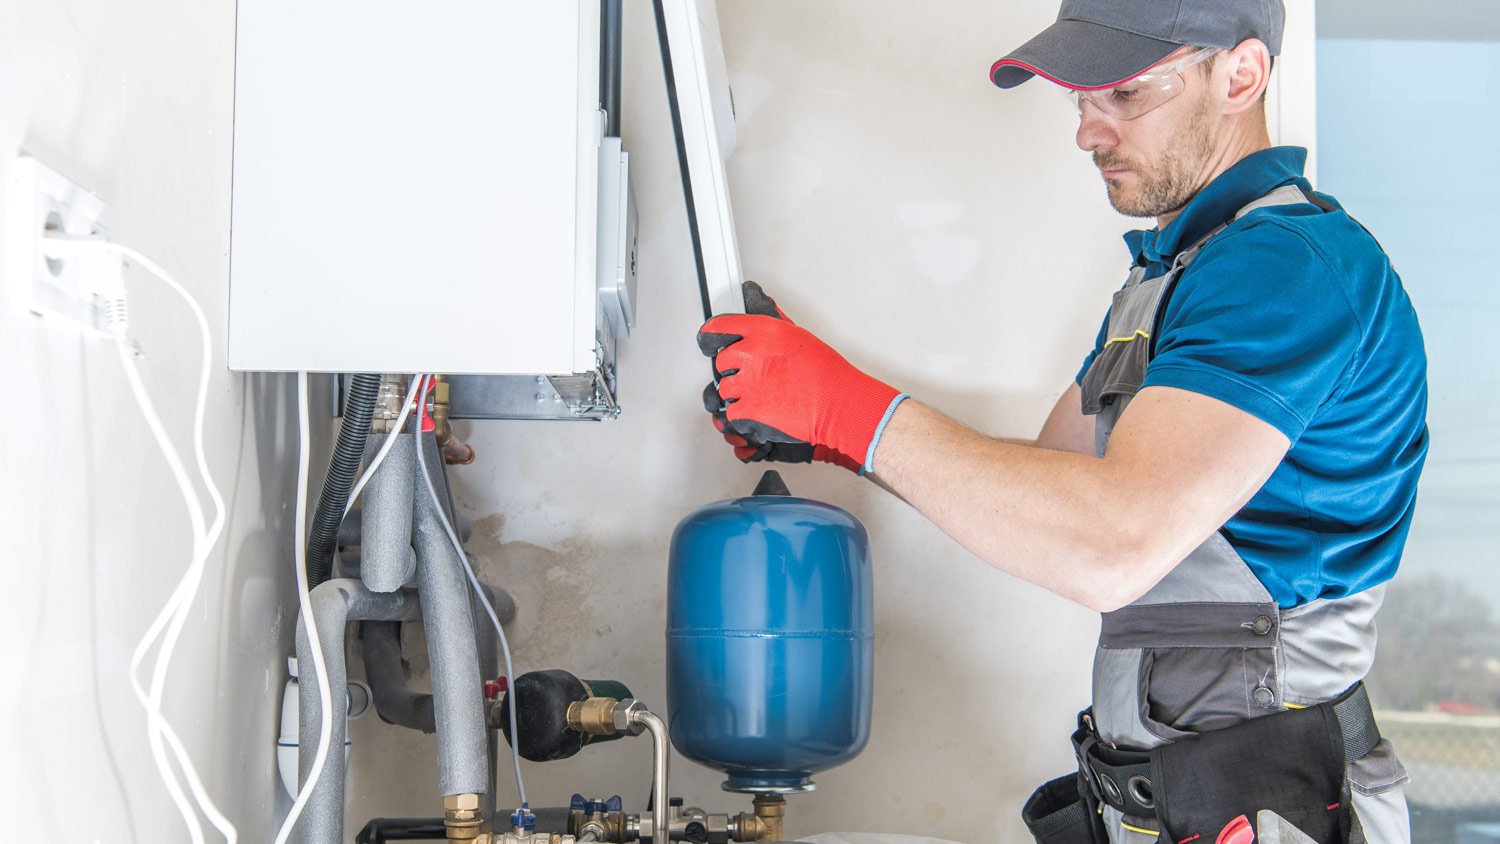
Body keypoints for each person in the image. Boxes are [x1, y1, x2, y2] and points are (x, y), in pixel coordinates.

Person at [694, 1, 1428, 842]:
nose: (1088, 133)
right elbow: (1051, 493)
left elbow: (1109, 542)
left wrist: (851, 411)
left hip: (1272, 808)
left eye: (1124, 93)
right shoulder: (1176, 273)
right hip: (1189, 803)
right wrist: (833, 437)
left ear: (1241, 76)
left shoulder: (1286, 267)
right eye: (1079, 99)